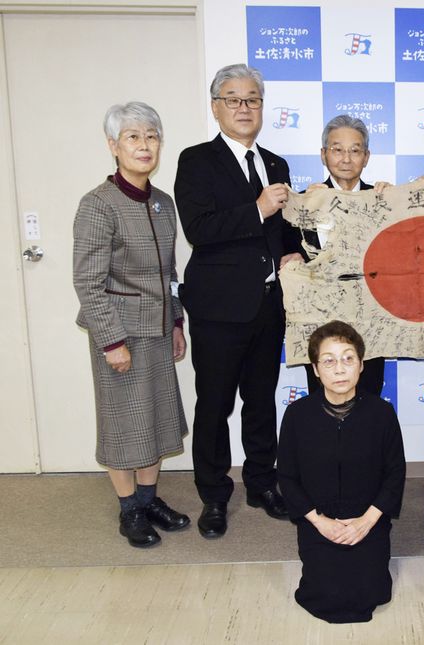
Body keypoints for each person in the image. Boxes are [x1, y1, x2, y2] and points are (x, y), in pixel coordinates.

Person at [174, 63, 303, 538]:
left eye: (253, 99)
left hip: (269, 305)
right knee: (213, 404)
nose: (244, 107)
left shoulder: (276, 163)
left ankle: (262, 483)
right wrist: (257, 209)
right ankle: (213, 494)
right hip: (218, 309)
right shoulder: (196, 160)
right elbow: (200, 230)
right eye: (234, 99)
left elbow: (284, 228)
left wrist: (291, 250)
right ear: (216, 107)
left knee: (261, 401)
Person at [73, 102, 190, 548]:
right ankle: (129, 511)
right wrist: (111, 341)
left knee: (156, 419)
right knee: (123, 423)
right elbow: (87, 280)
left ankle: (149, 498)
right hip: (119, 336)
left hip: (159, 330)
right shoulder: (98, 205)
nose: (144, 145)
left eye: (151, 136)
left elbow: (169, 273)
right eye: (133, 137)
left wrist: (177, 322)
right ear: (113, 146)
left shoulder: (163, 203)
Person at [278, 321, 405, 623]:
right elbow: (287, 477)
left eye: (348, 359)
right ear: (315, 368)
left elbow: (395, 473)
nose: (339, 369)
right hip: (318, 521)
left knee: (370, 592)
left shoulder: (381, 413)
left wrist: (367, 521)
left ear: (361, 366)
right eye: (329, 360)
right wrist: (319, 522)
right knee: (326, 594)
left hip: (367, 521)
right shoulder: (298, 415)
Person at [300, 115, 388, 397]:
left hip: (371, 325)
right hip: (319, 326)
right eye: (337, 149)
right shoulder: (302, 204)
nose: (346, 158)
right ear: (324, 155)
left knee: (369, 405)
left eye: (355, 150)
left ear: (367, 156)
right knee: (321, 409)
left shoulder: (384, 202)